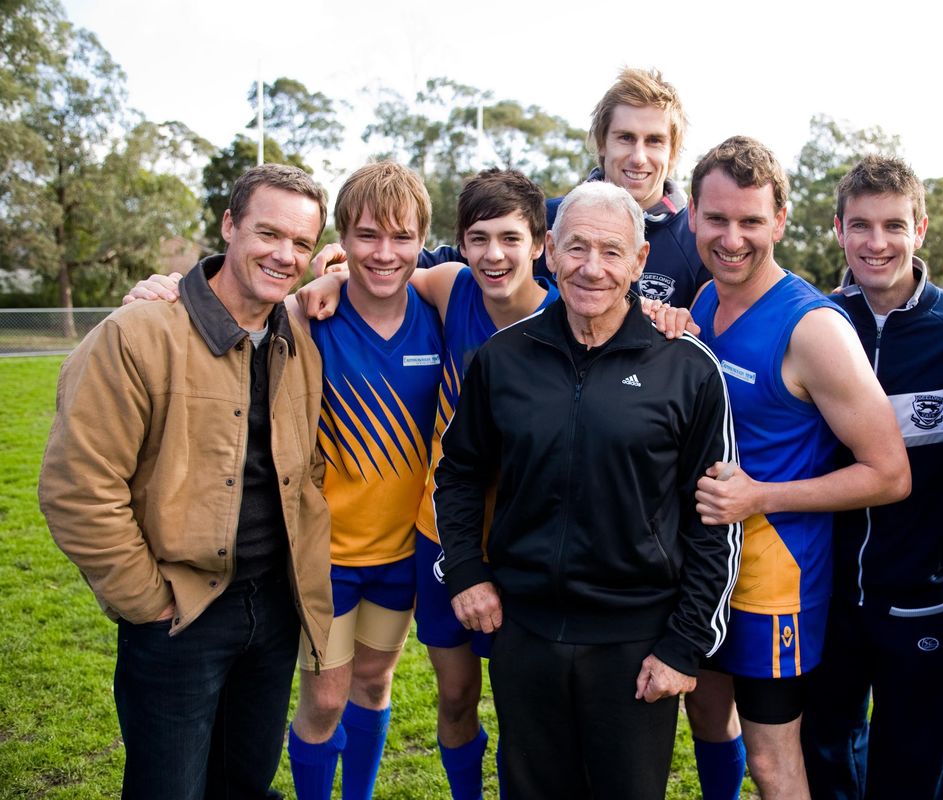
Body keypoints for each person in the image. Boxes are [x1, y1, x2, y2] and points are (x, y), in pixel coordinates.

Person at [433, 180, 740, 800]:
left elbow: (715, 517)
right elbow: (460, 473)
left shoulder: (687, 366)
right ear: (549, 251)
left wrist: (684, 644)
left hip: (637, 645)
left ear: (639, 261)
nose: (592, 268)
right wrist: (466, 570)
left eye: (610, 251)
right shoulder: (502, 358)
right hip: (526, 636)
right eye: (576, 248)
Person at [38, 164, 333, 800]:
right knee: (167, 787)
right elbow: (78, 486)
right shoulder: (137, 334)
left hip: (274, 609)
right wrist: (147, 601)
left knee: (244, 783)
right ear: (229, 226)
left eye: (301, 244)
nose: (284, 255)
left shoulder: (297, 343)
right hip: (181, 614)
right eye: (268, 233)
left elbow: (305, 465)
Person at [298, 167, 560, 799]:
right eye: (478, 239)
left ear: (540, 245)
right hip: (435, 543)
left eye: (510, 239)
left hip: (531, 548)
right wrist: (331, 273)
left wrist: (667, 318)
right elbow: (383, 271)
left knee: (530, 712)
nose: (494, 255)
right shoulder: (452, 289)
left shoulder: (570, 318)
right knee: (451, 693)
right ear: (460, 244)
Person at [684, 137, 910, 800]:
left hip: (772, 583)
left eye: (751, 221)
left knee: (773, 761)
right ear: (692, 215)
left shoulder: (814, 328)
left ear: (779, 222)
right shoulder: (702, 303)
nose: (732, 238)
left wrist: (762, 497)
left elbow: (890, 472)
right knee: (706, 720)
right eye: (718, 219)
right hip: (704, 570)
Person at [799, 156, 943, 799]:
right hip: (827, 597)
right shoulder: (814, 325)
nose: (876, 243)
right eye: (860, 226)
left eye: (892, 225)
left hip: (922, 598)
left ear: (921, 229)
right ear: (837, 230)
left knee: (912, 769)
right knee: (825, 755)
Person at [283, 161, 443, 800]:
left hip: (402, 553)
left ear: (422, 241)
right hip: (324, 558)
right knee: (325, 698)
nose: (384, 253)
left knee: (375, 683)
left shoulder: (438, 315)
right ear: (342, 239)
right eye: (368, 236)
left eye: (402, 237)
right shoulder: (307, 318)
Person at [394, 68, 708, 306]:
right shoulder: (551, 217)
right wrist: (350, 266)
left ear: (673, 151)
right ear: (601, 142)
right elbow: (456, 257)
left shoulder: (698, 241)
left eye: (654, 141)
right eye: (625, 137)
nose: (638, 157)